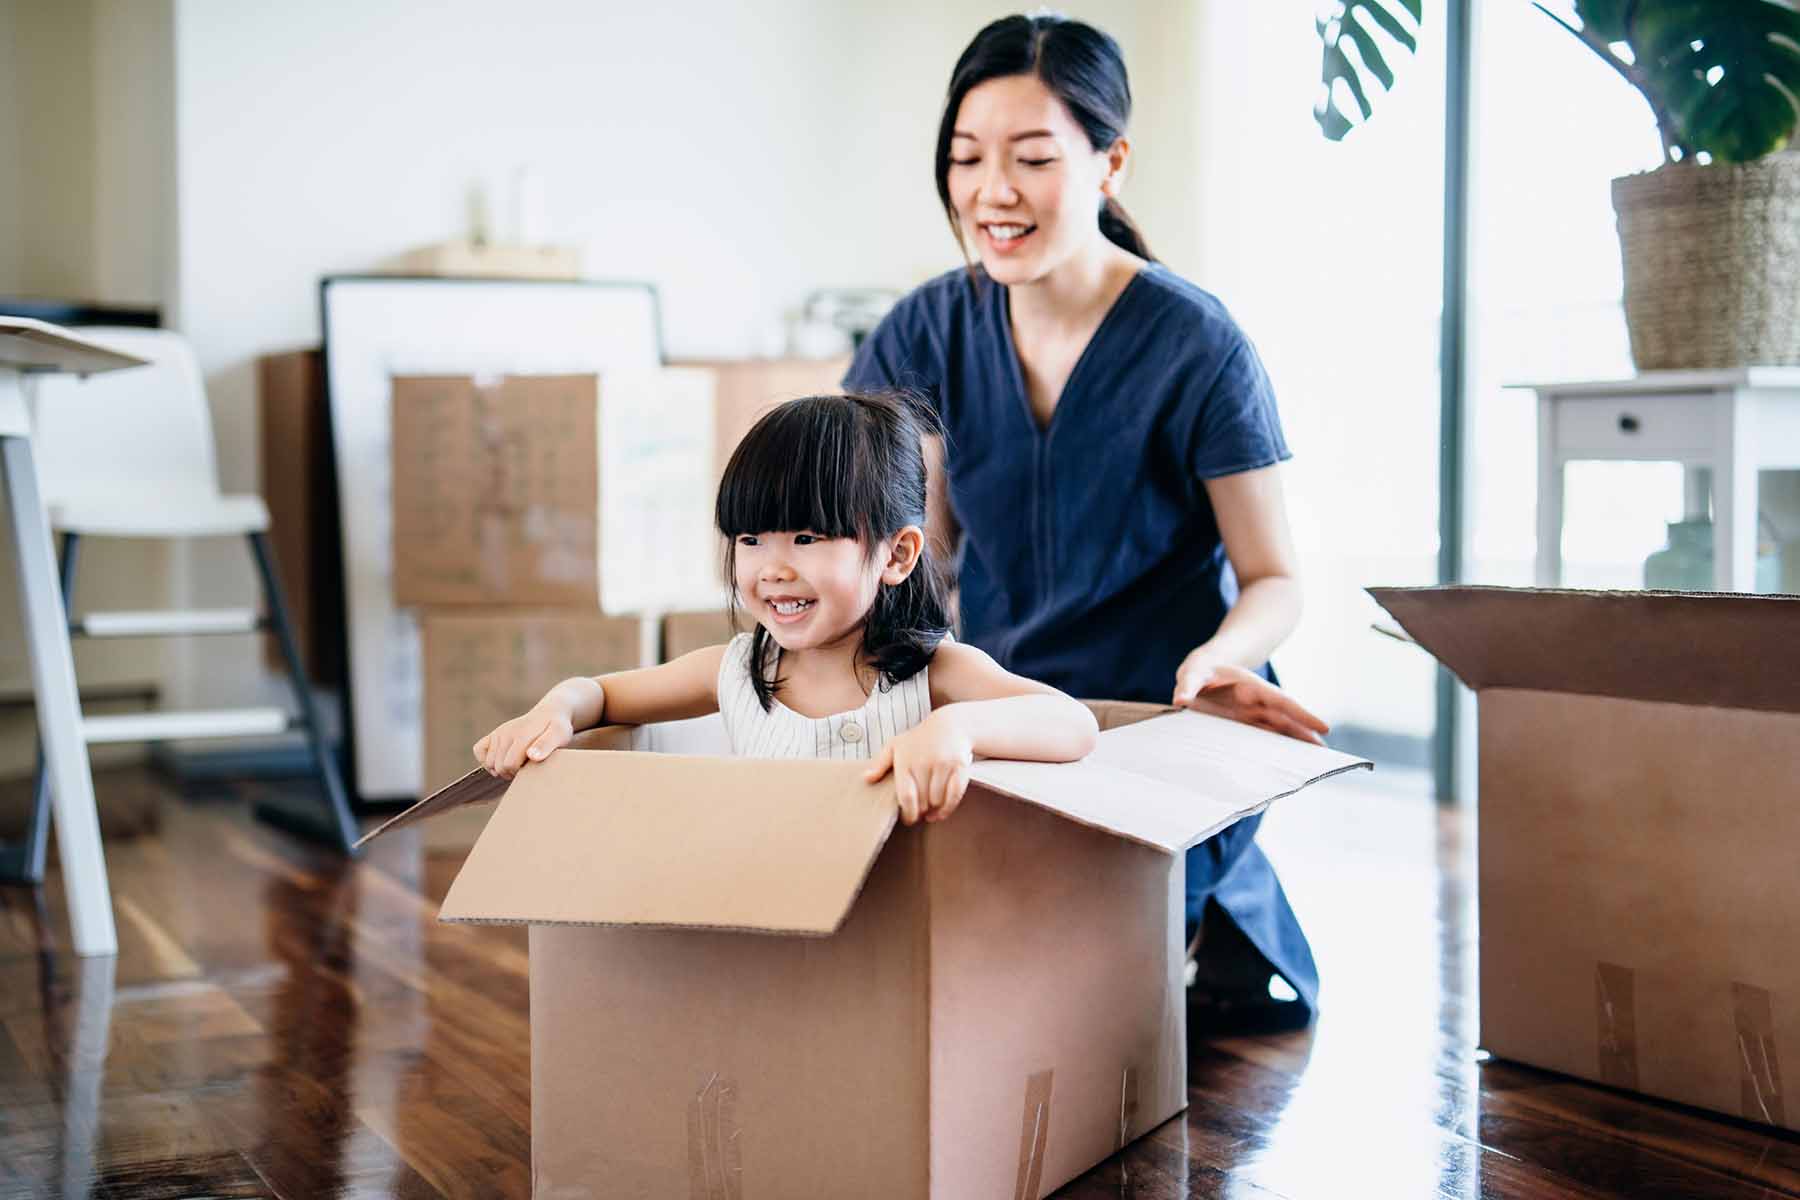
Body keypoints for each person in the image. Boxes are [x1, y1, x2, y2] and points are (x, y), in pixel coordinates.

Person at [842, 13, 1330, 1026]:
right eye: (967, 158)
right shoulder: (926, 329)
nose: (992, 191)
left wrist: (1221, 661)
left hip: (1165, 725)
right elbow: (912, 560)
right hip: (1002, 719)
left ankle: (1212, 923)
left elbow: (1274, 575)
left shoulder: (1198, 343)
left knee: (1087, 1009)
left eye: (1032, 157)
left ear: (1111, 162)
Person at [473, 391, 1098, 825]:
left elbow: (1072, 724)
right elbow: (602, 696)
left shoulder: (931, 675)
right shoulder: (737, 672)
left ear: (897, 555)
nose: (773, 567)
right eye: (751, 540)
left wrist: (954, 729)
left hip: (898, 936)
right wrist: (555, 708)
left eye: (807, 538)